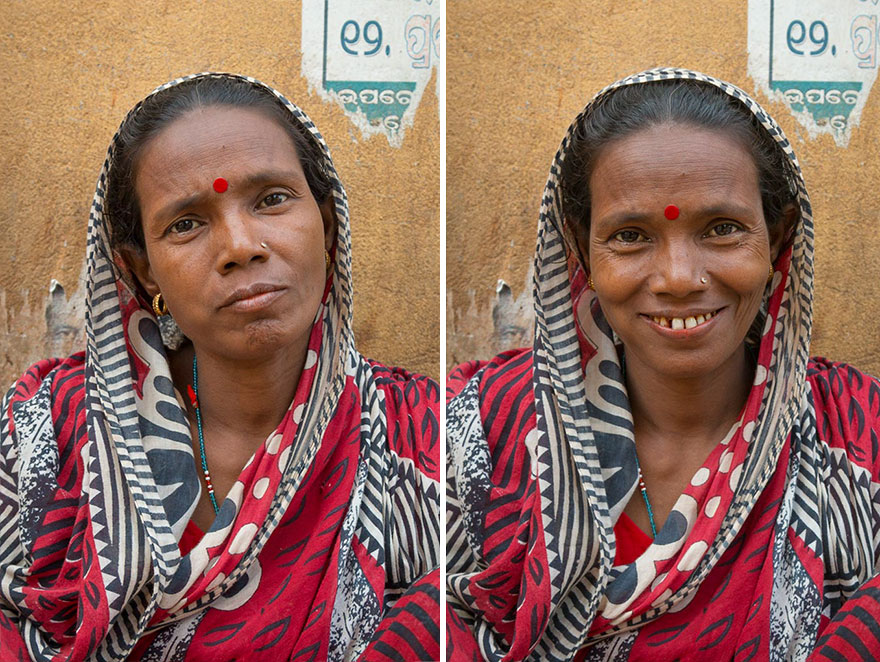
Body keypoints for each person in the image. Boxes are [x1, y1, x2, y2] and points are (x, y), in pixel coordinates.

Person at [0, 72, 439, 661]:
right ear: (145, 270)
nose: (240, 245)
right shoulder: (48, 435)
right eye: (186, 223)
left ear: (327, 224)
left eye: (272, 199)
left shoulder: (421, 443)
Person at [445, 68, 880, 661]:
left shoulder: (858, 440)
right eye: (630, 236)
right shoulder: (477, 435)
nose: (679, 278)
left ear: (776, 238)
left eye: (722, 230)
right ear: (582, 249)